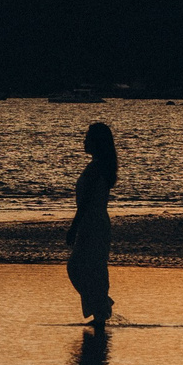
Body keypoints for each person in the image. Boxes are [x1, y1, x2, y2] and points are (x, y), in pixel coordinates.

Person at [64, 120, 116, 327]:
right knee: (87, 267)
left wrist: (73, 227)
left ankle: (101, 309)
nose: (84, 141)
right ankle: (99, 310)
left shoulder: (97, 169)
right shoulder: (97, 166)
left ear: (97, 142)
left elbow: (85, 202)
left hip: (93, 222)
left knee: (82, 267)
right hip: (92, 221)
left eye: (88, 138)